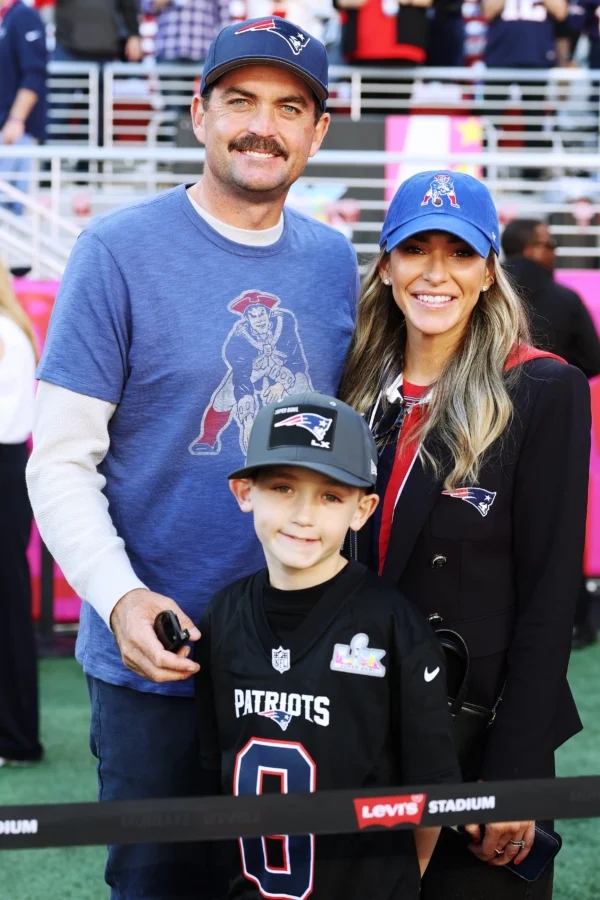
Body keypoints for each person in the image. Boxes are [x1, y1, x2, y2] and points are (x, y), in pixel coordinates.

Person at [26, 16, 359, 900]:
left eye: (291, 107)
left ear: (319, 130)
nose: (264, 125)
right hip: (156, 661)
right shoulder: (116, 251)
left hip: (298, 664)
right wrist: (121, 597)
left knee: (288, 888)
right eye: (240, 100)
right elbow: (57, 461)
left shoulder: (333, 264)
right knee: (159, 886)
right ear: (198, 112)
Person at [339, 169, 591, 899]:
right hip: (368, 728)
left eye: (460, 252)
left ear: (489, 271)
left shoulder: (543, 388)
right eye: (417, 249)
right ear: (386, 267)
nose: (436, 273)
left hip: (479, 735)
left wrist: (510, 776)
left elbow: (551, 598)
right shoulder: (357, 385)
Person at [195, 390, 461, 900]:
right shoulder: (223, 615)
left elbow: (429, 793)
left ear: (362, 510)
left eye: (331, 496)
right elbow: (217, 773)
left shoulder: (390, 623)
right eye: (282, 487)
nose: (303, 515)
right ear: (244, 491)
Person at [502, 217, 600, 650]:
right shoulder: (565, 298)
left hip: (483, 422)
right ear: (533, 248)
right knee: (558, 526)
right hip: (550, 430)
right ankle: (571, 623)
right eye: (552, 243)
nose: (556, 251)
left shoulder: (483, 291)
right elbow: (593, 361)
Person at [0, 260, 43, 767]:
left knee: (9, 605)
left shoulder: (6, 329)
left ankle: (15, 738)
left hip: (6, 467)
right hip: (10, 467)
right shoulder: (13, 327)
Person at [0, 0, 47, 215]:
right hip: (8, 126)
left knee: (9, 208)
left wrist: (17, 120)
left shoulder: (23, 16)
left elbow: (34, 72)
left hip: (15, 130)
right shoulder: (8, 17)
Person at [140, 0, 230, 63]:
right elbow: (146, 5)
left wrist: (223, 49)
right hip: (168, 49)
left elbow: (224, 15)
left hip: (203, 50)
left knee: (206, 90)